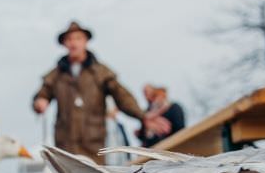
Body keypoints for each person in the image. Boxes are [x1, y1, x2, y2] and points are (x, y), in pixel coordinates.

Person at [33, 21, 170, 162]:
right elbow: (42, 94)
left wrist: (142, 116)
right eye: (69, 39)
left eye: (78, 38)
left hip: (93, 146)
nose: (73, 43)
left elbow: (122, 97)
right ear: (64, 43)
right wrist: (39, 102)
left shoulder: (101, 72)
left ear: (86, 41)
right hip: (65, 146)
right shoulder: (55, 75)